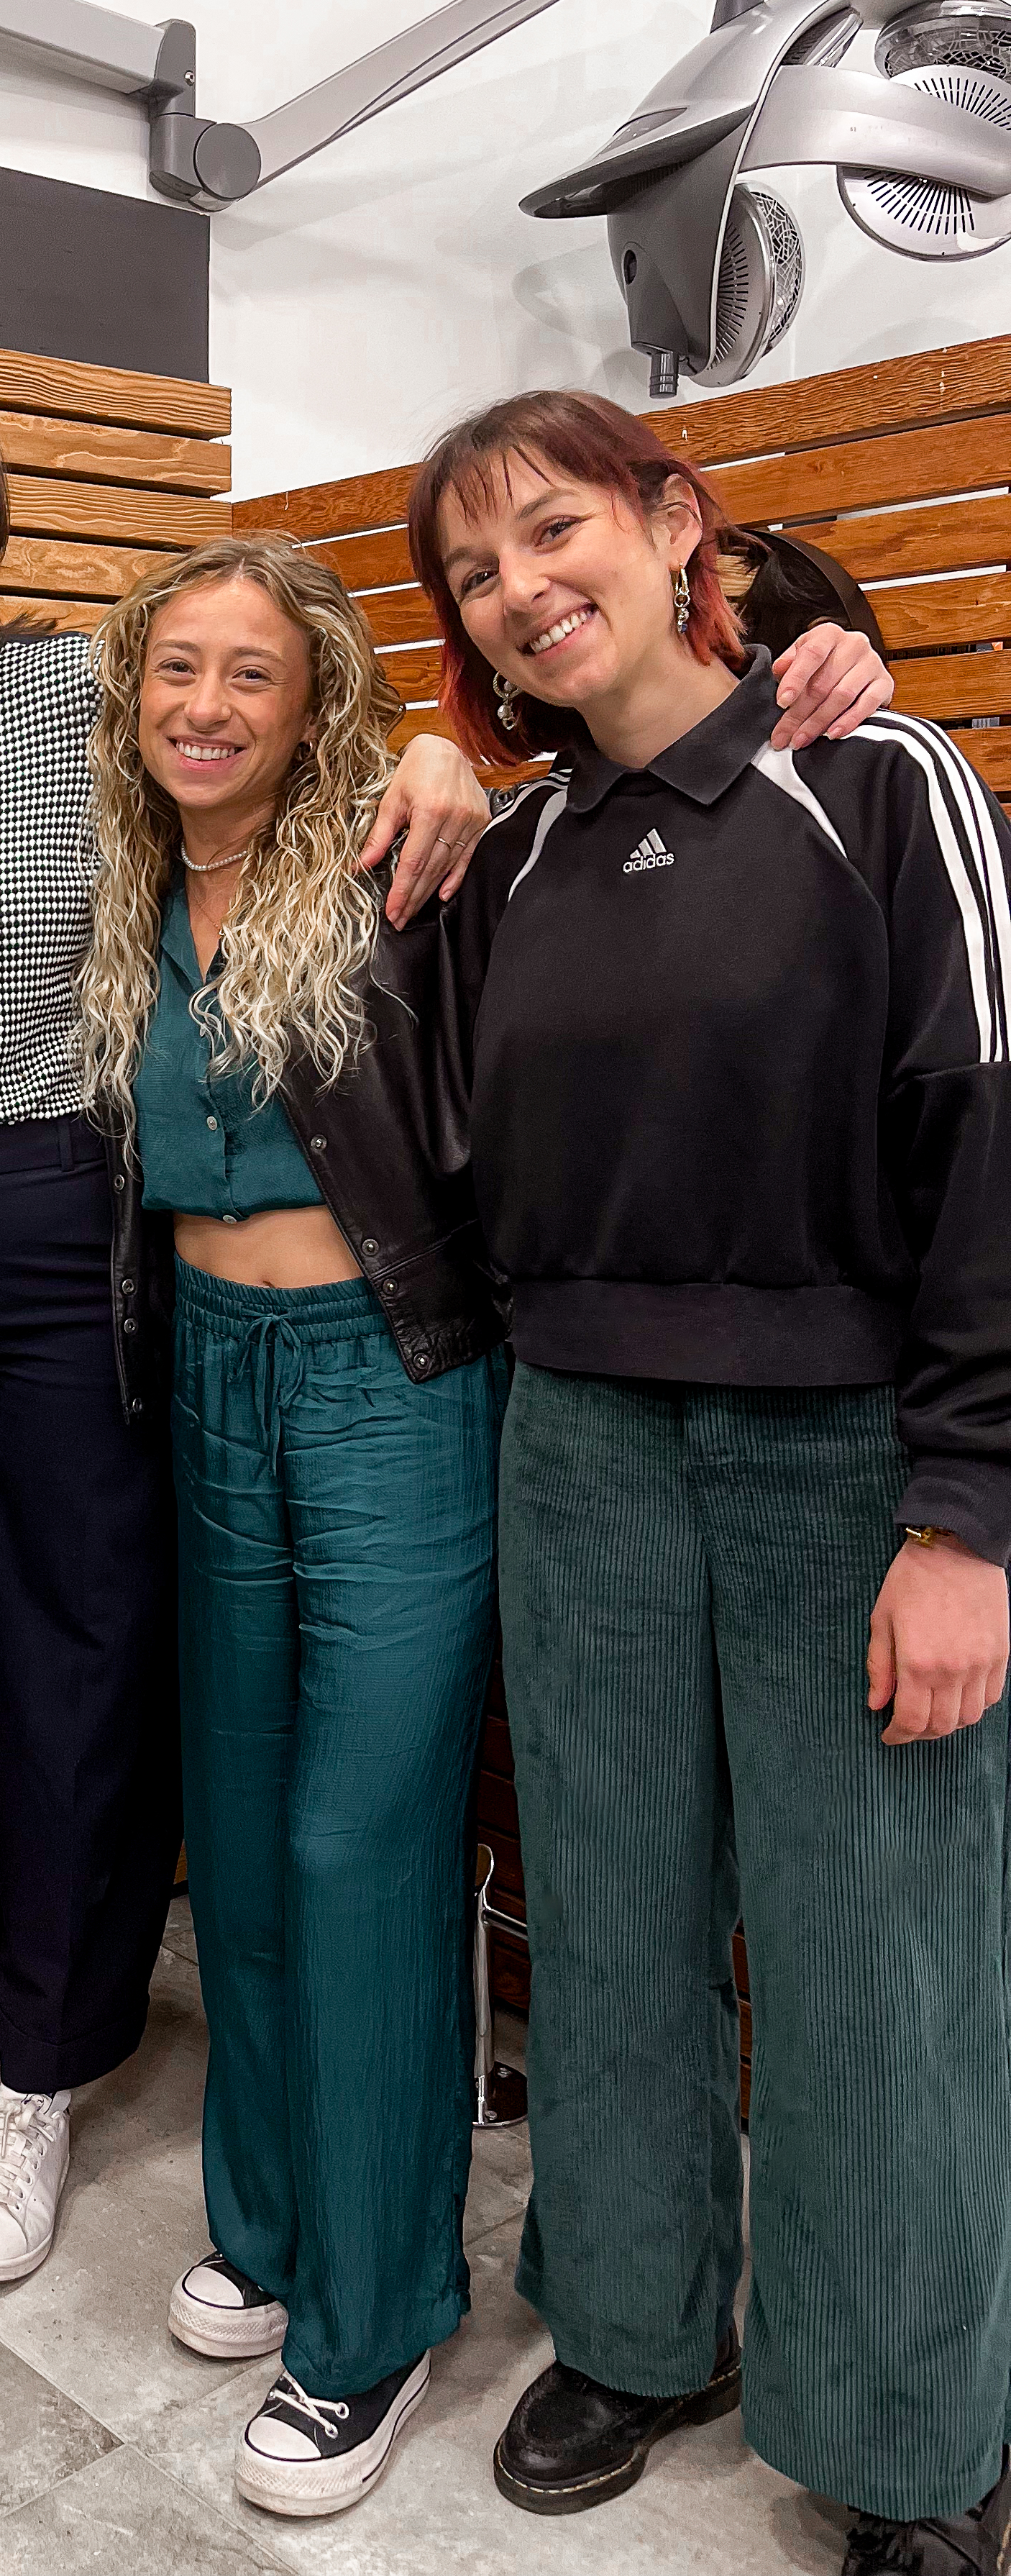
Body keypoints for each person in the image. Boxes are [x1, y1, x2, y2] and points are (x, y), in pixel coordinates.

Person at [72, 530, 889, 2521]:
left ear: (317, 699)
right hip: (207, 1387)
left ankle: (376, 2316)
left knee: (366, 1845)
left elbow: (602, 782)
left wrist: (454, 753)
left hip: (391, 1382)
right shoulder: (127, 883)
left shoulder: (406, 863)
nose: (205, 707)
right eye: (176, 669)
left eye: (250, 674)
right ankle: (270, 2228)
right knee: (247, 1834)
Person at [0, 367, 497, 2289]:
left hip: (73, 1209)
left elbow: (304, 727)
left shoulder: (82, 694)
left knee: (73, 1649)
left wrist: (444, 752)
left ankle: (46, 2073)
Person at [411, 389, 1011, 2575]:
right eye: (474, 573)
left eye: (553, 530)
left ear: (677, 526)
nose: (520, 590)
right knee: (614, 1911)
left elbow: (990, 1153)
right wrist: (428, 762)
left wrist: (966, 1519)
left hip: (844, 1461)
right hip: (579, 1446)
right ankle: (645, 2325)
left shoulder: (882, 781)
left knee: (875, 1962)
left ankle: (911, 2434)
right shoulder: (517, 852)